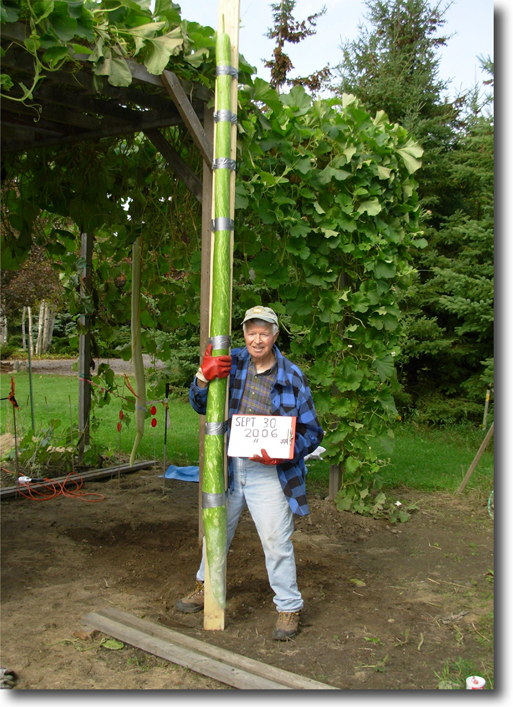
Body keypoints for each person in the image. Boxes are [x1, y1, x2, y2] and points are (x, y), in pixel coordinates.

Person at [175, 305, 324, 640]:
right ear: (244, 334)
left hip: (270, 474)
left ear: (275, 335)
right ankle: (206, 589)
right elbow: (200, 404)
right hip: (228, 467)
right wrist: (203, 375)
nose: (258, 340)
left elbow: (313, 432)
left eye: (265, 332)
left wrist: (284, 451)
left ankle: (288, 607)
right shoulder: (232, 363)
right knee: (215, 533)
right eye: (252, 332)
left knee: (276, 541)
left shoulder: (291, 376)